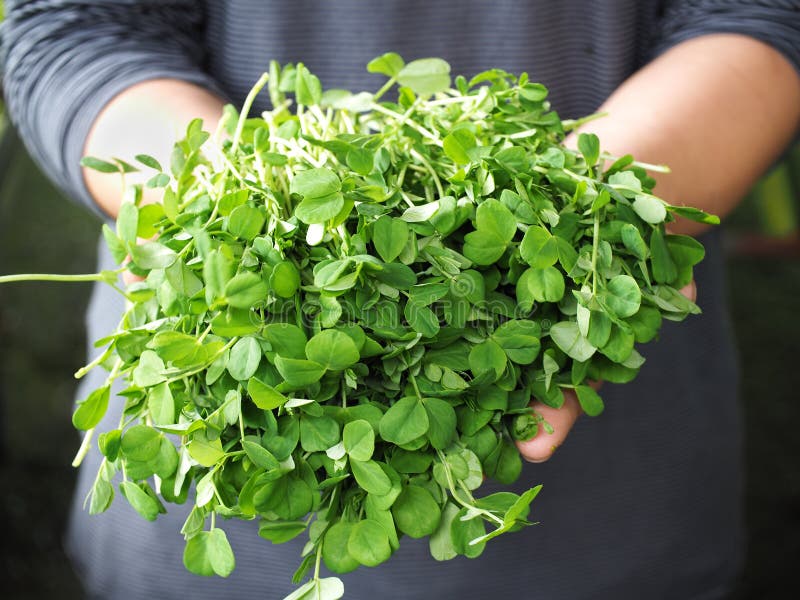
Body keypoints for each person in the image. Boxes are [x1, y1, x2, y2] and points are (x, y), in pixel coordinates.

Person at [2, 1, 799, 598]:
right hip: (216, 543)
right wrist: (200, 200)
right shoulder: (225, 240)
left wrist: (598, 204)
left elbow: (756, 13)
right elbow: (73, 22)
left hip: (622, 527)